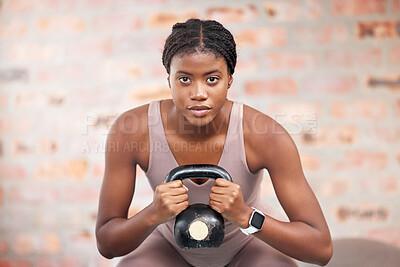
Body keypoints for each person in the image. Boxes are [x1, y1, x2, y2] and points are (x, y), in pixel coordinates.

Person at [95, 19, 333, 267]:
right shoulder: (132, 130)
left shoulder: (266, 136)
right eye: (185, 79)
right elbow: (107, 245)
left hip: (246, 245)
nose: (198, 93)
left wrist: (245, 216)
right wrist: (153, 214)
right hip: (168, 249)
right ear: (169, 80)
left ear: (229, 79)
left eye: (212, 79)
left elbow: (321, 249)